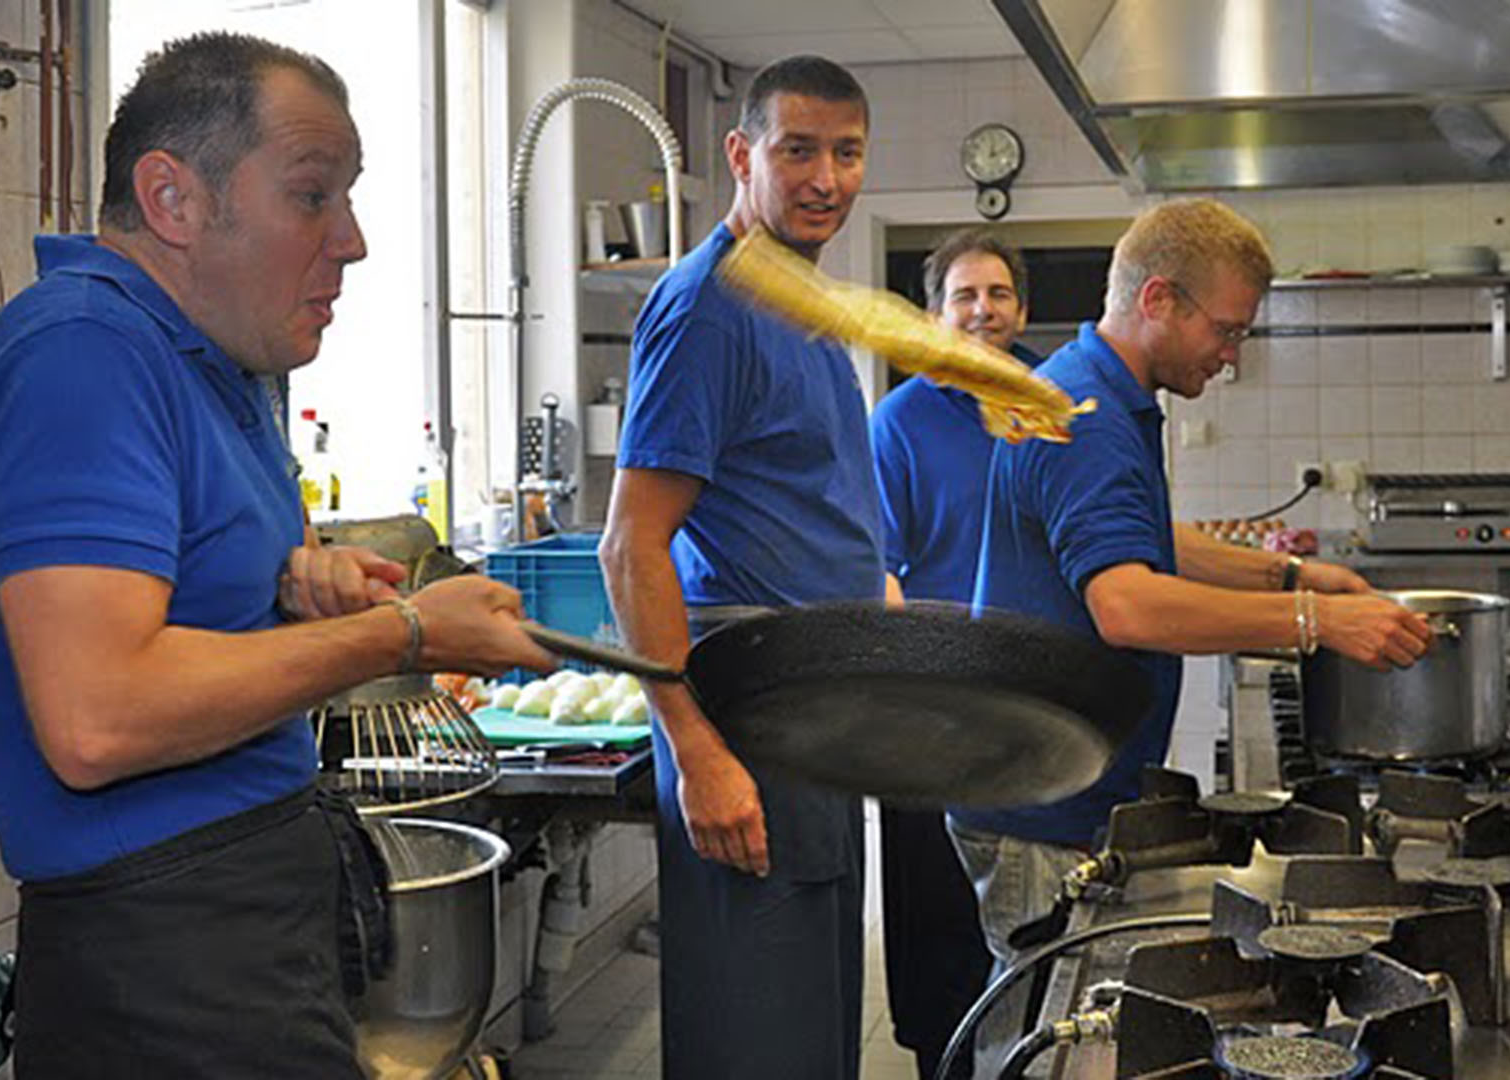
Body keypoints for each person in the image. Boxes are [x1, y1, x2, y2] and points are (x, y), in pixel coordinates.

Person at [0, 33, 553, 1079]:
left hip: (248, 916)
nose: (350, 241)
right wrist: (397, 632)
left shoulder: (222, 366)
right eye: (313, 196)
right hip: (161, 956)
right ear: (173, 199)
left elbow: (175, 600)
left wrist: (295, 589)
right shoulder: (82, 352)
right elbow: (99, 715)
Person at [952, 199, 1432, 1077]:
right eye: (1228, 329)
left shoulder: (1102, 392)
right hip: (1041, 798)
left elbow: (1144, 538)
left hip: (1056, 778)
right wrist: (1317, 623)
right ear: (1161, 299)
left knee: (1044, 1024)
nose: (1231, 354)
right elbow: (1128, 605)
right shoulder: (1088, 416)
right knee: (1033, 1036)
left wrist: (1289, 575)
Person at [599, 55, 884, 1080]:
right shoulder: (708, 306)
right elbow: (630, 545)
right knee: (757, 1038)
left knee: (809, 1032)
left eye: (846, 153)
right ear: (741, 154)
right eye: (796, 149)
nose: (824, 177)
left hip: (818, 712)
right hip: (746, 719)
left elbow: (811, 507)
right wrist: (699, 750)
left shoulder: (799, 301)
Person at [868, 228, 1038, 1080]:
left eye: (997, 293)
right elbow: (877, 573)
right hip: (930, 710)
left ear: (1022, 309)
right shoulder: (898, 423)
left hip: (1034, 703)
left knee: (1032, 911)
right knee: (937, 917)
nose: (982, 310)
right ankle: (945, 1059)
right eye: (964, 295)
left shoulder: (1048, 407)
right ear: (934, 315)